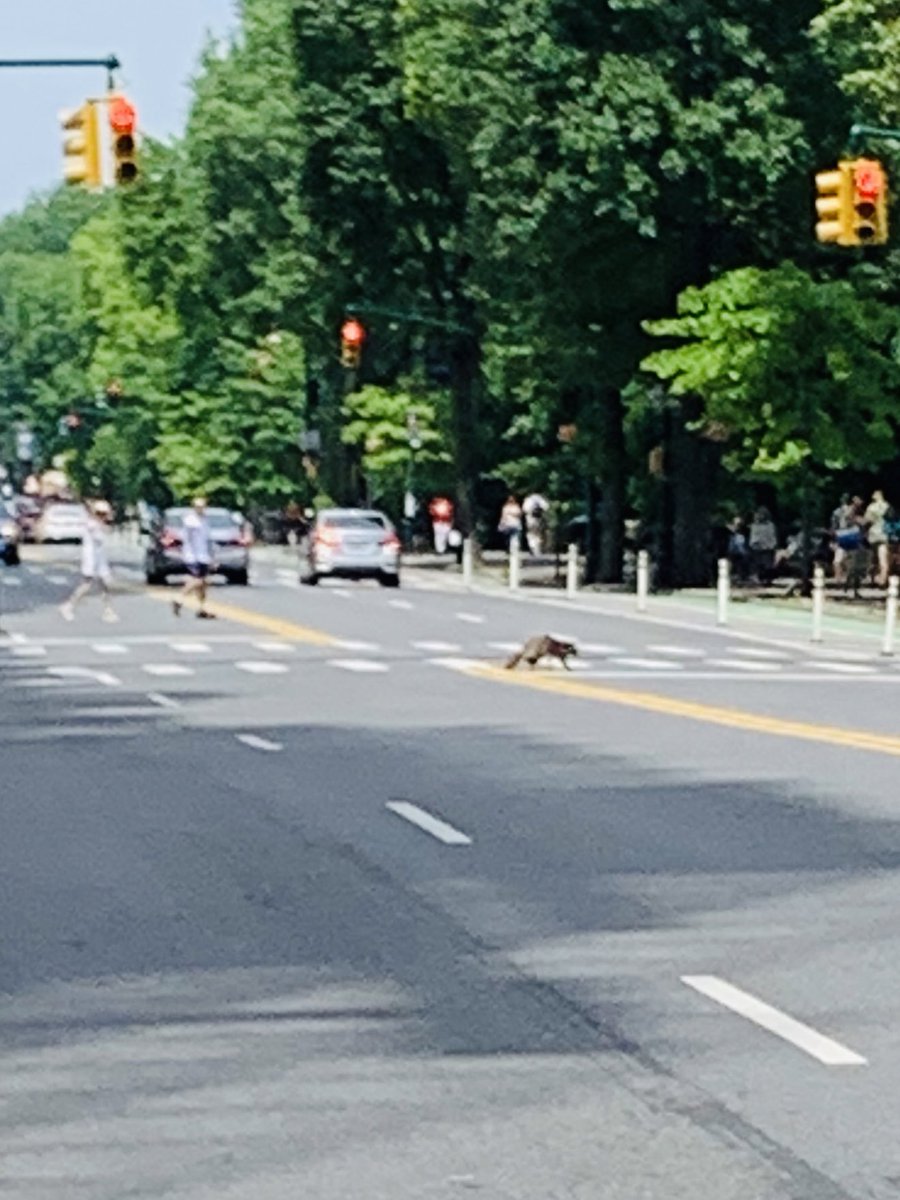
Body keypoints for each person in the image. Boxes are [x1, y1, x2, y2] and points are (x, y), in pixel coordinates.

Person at [60, 500, 118, 622]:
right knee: (86, 585)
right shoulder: (92, 525)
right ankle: (69, 605)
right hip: (92, 559)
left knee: (105, 586)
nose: (105, 516)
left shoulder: (96, 524)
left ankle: (108, 611)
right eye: (103, 514)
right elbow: (100, 534)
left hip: (99, 559)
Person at [173, 496, 216, 619]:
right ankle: (178, 599)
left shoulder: (205, 520)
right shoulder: (190, 520)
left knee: (204, 583)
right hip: (193, 556)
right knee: (198, 581)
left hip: (203, 555)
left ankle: (202, 608)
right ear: (194, 507)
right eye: (198, 506)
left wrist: (211, 556)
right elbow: (188, 539)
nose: (200, 509)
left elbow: (207, 539)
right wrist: (188, 553)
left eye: (202, 506)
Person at [865, 488, 891, 587]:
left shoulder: (871, 507)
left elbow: (867, 520)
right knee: (883, 559)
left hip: (873, 535)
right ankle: (883, 579)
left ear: (876, 495)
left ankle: (874, 579)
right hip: (884, 535)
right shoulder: (887, 506)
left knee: (873, 559)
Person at [748, 507, 777, 583]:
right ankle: (760, 578)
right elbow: (753, 536)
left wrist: (772, 545)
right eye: (759, 514)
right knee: (759, 564)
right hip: (757, 547)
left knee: (768, 565)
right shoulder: (754, 525)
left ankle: (768, 579)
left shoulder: (770, 525)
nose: (760, 516)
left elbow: (772, 536)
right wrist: (753, 544)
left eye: (762, 514)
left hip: (768, 548)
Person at [522, 491, 549, 556]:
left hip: (530, 518)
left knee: (531, 534)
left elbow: (524, 509)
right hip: (539, 519)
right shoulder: (540, 499)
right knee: (538, 534)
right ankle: (537, 549)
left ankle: (532, 547)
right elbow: (546, 507)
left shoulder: (529, 499)